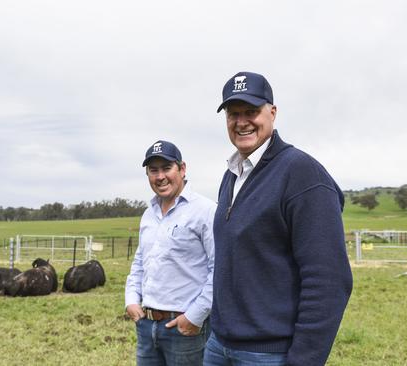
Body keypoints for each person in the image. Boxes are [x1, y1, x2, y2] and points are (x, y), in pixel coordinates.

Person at [204, 71, 353, 366]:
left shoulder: (301, 174)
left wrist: (304, 360)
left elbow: (329, 279)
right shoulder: (231, 176)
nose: (242, 121)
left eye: (251, 111)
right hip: (219, 345)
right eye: (233, 114)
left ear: (272, 113)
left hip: (268, 354)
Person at [125, 140, 216, 366]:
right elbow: (139, 262)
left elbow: (220, 269)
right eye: (153, 170)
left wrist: (194, 317)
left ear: (182, 169)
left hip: (185, 328)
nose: (160, 176)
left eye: (166, 168)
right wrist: (131, 300)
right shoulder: (149, 214)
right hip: (147, 324)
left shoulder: (204, 211)